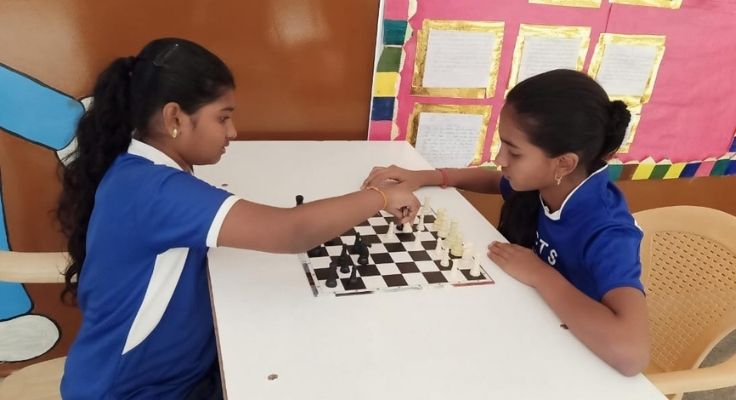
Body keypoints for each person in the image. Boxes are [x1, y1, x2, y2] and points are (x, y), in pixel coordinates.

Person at [56, 38, 419, 399]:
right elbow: (291, 231)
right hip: (135, 390)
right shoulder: (155, 191)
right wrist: (381, 197)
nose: (232, 132)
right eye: (223, 118)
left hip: (172, 370)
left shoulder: (141, 168)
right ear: (174, 118)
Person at [361, 69, 649, 376]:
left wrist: (540, 274)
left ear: (564, 163)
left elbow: (632, 355)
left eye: (513, 151)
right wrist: (427, 176)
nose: (500, 159)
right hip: (520, 326)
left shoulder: (608, 232)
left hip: (571, 365)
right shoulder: (549, 182)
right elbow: (495, 181)